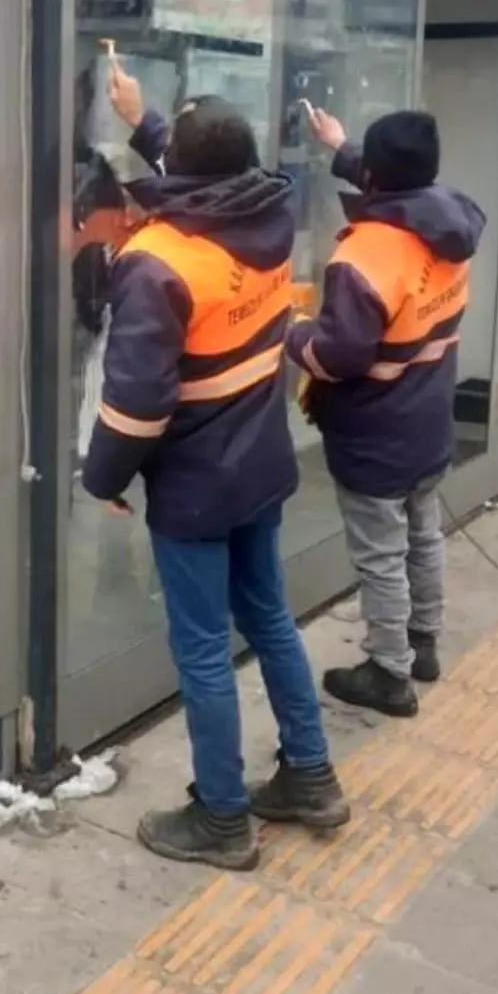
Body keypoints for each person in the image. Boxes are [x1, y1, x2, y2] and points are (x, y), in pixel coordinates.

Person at [83, 61, 348, 871]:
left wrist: (103, 477)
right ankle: (310, 776)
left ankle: (222, 818)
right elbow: (211, 178)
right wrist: (145, 122)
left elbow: (135, 403)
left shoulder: (155, 261)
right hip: (260, 462)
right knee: (268, 618)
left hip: (196, 483)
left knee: (201, 648)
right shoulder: (271, 211)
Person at [288, 104, 485, 718]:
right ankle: (422, 642)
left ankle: (388, 671)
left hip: (377, 431)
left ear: (372, 175)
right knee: (422, 534)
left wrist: (291, 329)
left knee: (380, 554)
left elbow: (340, 356)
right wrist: (341, 147)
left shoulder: (366, 257)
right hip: (428, 418)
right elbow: (402, 192)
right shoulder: (449, 220)